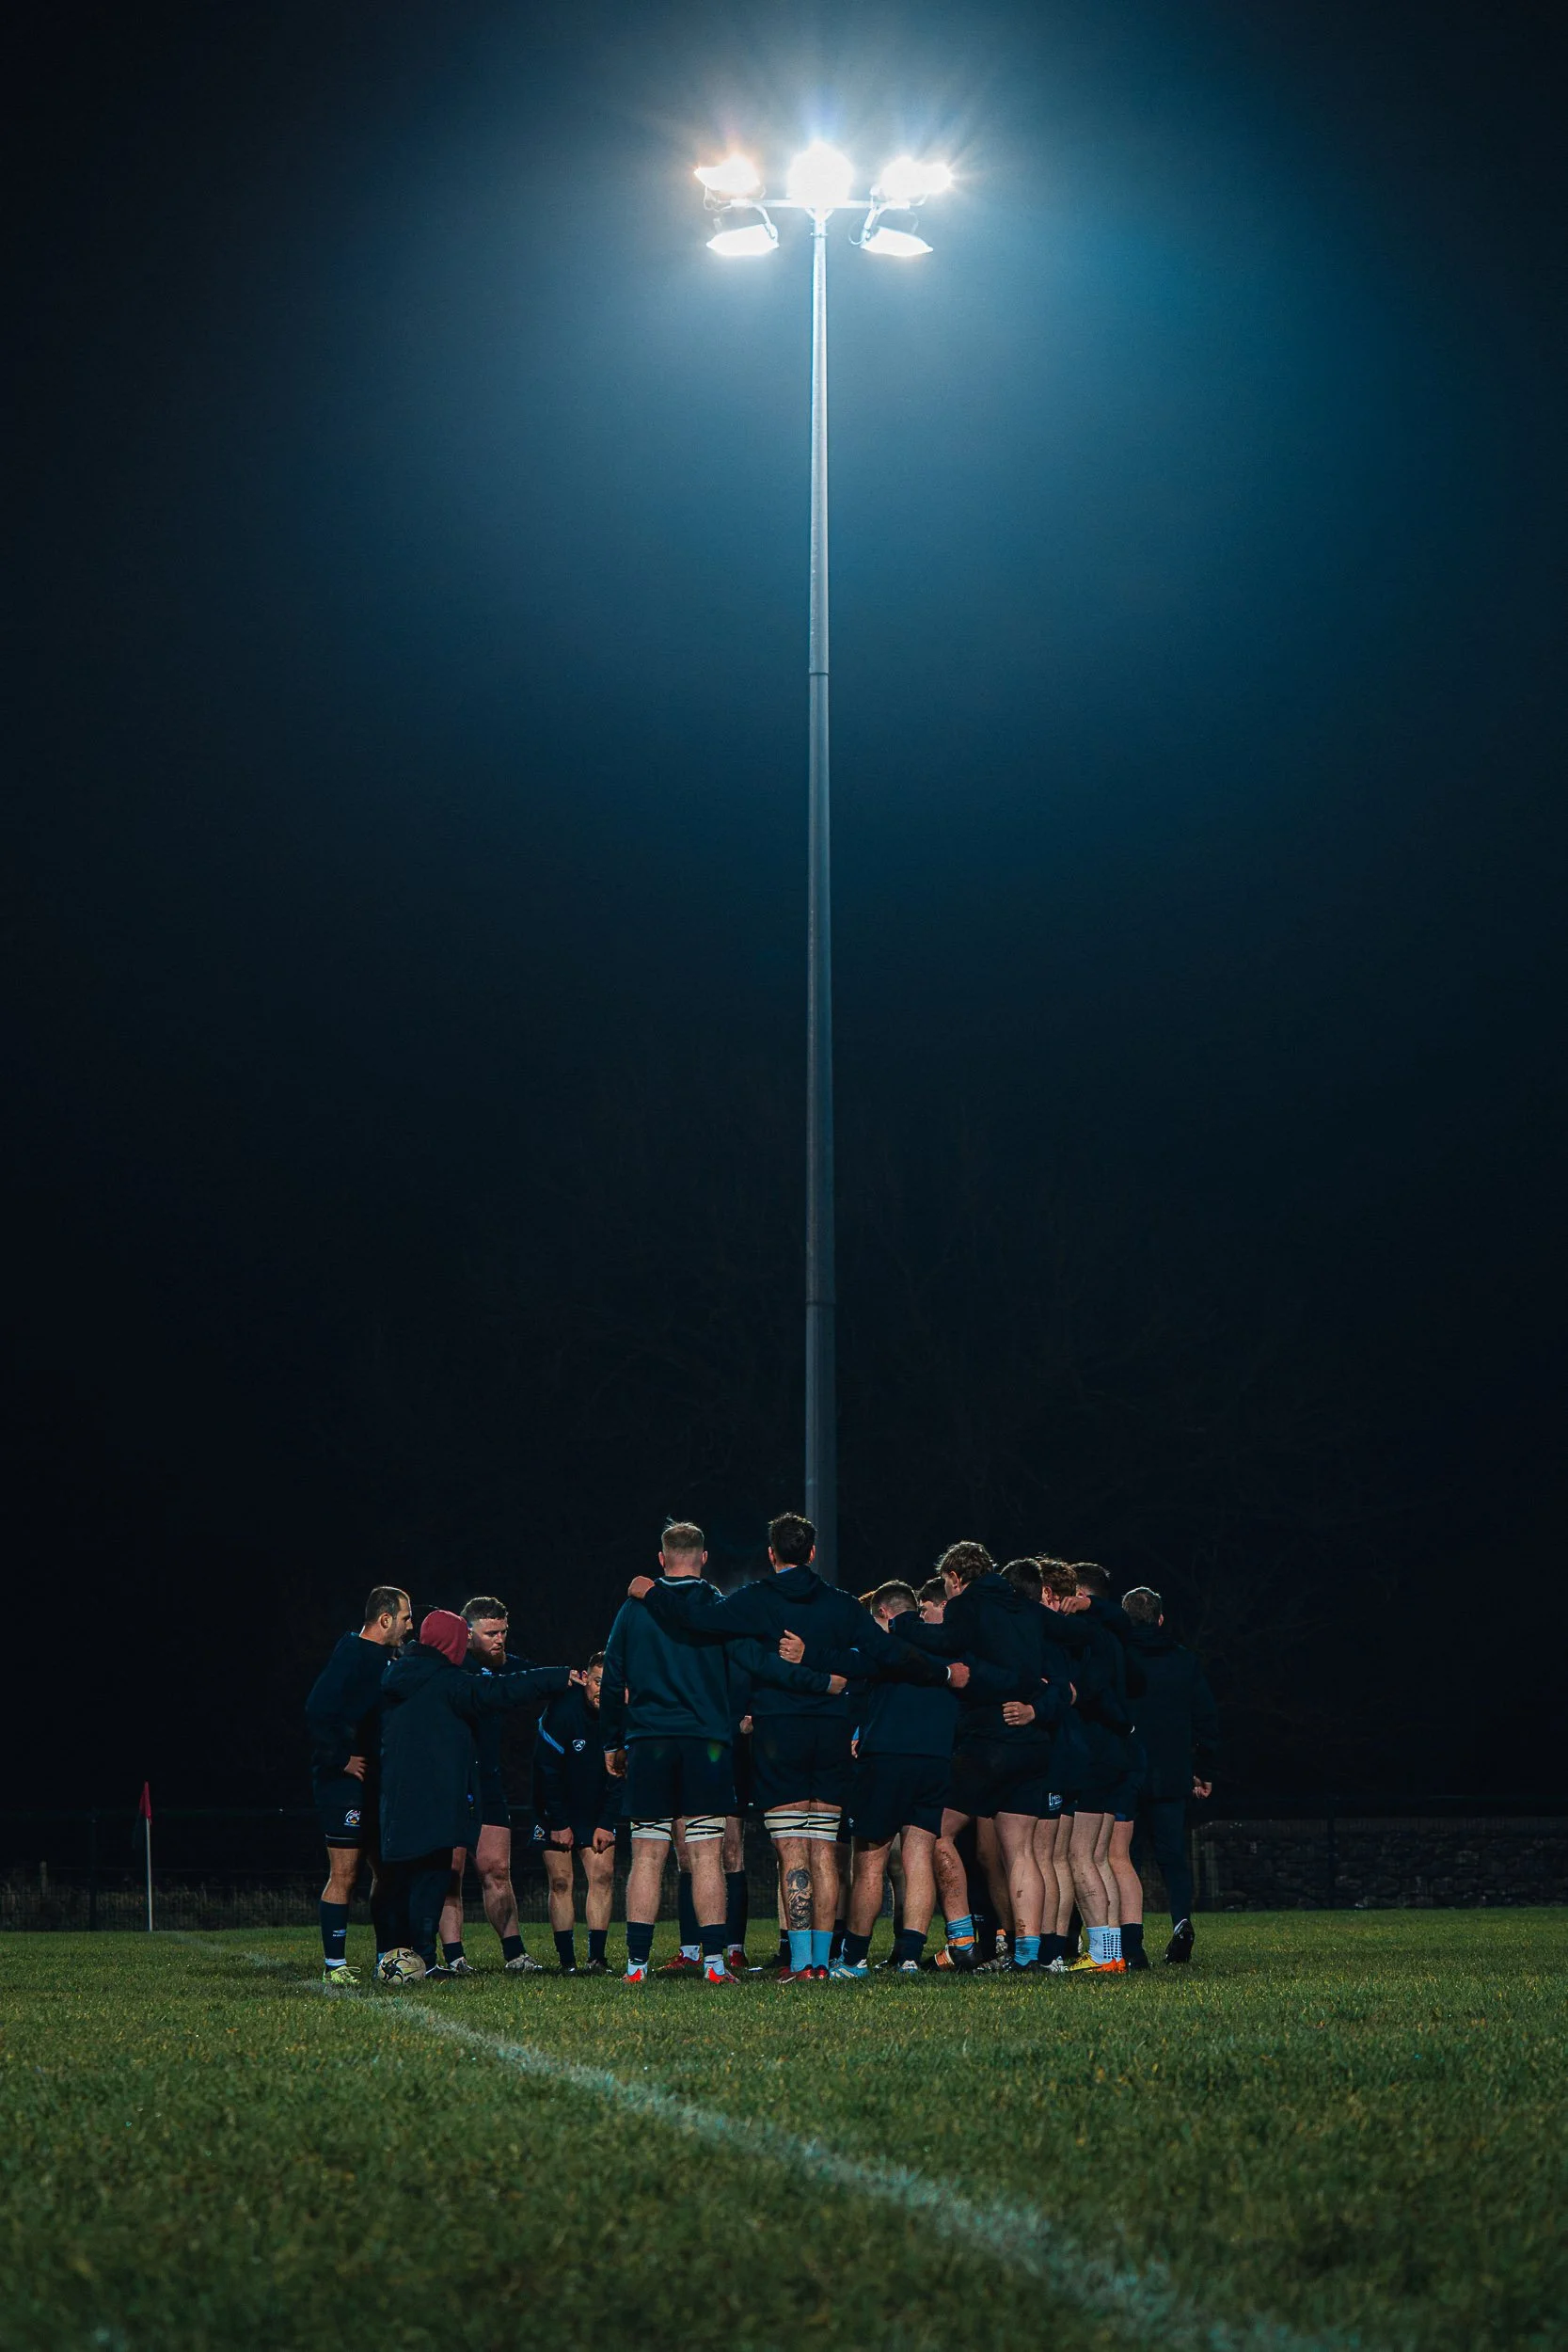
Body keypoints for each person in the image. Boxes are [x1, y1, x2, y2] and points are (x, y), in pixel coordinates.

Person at [630, 1511, 958, 1982]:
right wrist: (942, 1672)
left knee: (791, 1853)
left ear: (771, 1554)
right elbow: (885, 1656)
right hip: (829, 1734)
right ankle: (821, 1964)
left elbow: (696, 1619)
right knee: (826, 1851)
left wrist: (651, 1591)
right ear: (812, 1552)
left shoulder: (755, 1600)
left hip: (778, 1735)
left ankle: (802, 1962)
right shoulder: (843, 1605)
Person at [605, 1521, 843, 1985]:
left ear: (661, 1558)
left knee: (648, 1853)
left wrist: (612, 1741)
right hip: (708, 1746)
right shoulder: (719, 1608)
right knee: (708, 1853)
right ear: (704, 1557)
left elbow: (613, 1679)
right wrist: (821, 1681)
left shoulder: (633, 1611)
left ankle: (636, 1966)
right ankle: (714, 1963)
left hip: (650, 1742)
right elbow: (758, 1665)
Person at [828, 1579, 1014, 1979]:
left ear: (884, 1614)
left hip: (888, 1760)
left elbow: (851, 1664)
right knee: (917, 1858)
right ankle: (910, 1956)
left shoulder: (888, 1646)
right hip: (934, 1761)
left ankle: (855, 1958)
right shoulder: (950, 1649)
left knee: (870, 1862)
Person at [377, 1610, 574, 1979]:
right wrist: (558, 1677)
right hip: (440, 1793)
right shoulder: (450, 1682)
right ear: (456, 1640)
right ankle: (428, 1958)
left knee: (419, 1875)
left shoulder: (398, 1676)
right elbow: (499, 1692)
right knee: (435, 1874)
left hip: (404, 1794)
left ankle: (417, 1959)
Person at [902, 1545, 1066, 1973]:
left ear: (955, 1577)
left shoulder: (969, 1605)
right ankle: (1029, 1955)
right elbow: (1057, 1670)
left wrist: (904, 1626)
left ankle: (961, 1939)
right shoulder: (1026, 1611)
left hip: (987, 1742)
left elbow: (949, 1642)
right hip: (1032, 1742)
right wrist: (1035, 1706)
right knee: (1022, 1852)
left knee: (933, 1830)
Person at [304, 1585, 411, 1984]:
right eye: (406, 1618)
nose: (409, 1626)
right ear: (385, 1619)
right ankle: (335, 1964)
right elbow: (317, 1709)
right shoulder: (352, 1652)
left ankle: (385, 1958)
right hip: (343, 1785)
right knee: (345, 1873)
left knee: (387, 1872)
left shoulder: (389, 1658)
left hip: (377, 1785)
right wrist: (342, 1758)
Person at [437, 1597, 547, 1975]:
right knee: (449, 1872)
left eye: (503, 1632)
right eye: (491, 1633)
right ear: (468, 1635)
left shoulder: (503, 1668)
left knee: (497, 1871)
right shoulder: (452, 1670)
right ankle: (454, 1958)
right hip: (452, 1782)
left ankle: (515, 1954)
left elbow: (532, 1678)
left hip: (489, 1781)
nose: (500, 1639)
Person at [1121, 1585, 1220, 1963]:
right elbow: (1206, 1717)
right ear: (1161, 1619)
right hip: (1172, 1772)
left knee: (1121, 1858)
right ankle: (1181, 1921)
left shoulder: (1119, 1657)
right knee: (1173, 1858)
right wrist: (1204, 1769)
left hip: (1126, 1772)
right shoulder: (1183, 1661)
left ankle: (1129, 1940)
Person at [533, 1651, 620, 1973]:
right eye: (598, 1681)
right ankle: (566, 1962)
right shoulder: (562, 1711)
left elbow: (621, 1777)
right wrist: (558, 1822)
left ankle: (596, 1958)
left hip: (596, 1809)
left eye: (610, 1683)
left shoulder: (621, 1716)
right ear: (585, 1679)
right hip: (556, 1809)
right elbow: (546, 1770)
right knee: (560, 1881)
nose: (602, 1689)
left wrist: (607, 1822)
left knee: (603, 1876)